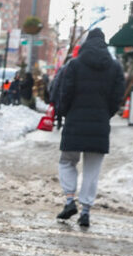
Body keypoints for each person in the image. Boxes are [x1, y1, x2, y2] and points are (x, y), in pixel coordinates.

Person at [53, 28, 124, 228]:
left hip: (75, 121)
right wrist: (105, 114)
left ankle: (69, 200)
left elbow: (65, 93)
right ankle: (85, 211)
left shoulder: (74, 65)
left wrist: (66, 113)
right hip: (100, 125)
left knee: (67, 161)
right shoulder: (115, 67)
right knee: (92, 169)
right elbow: (117, 98)